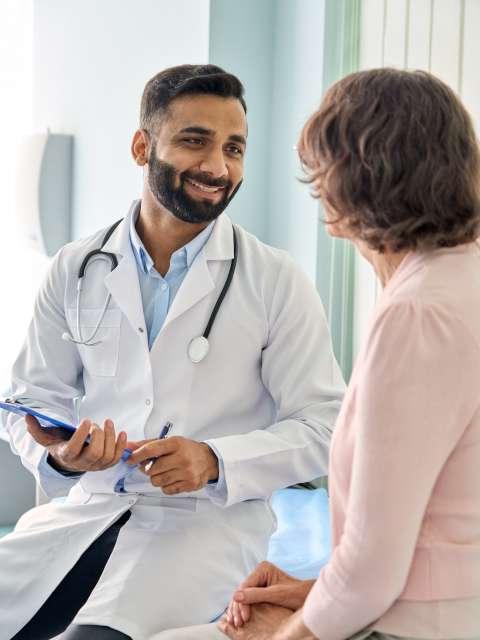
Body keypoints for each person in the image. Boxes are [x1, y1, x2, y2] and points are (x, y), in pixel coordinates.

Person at [0, 64, 344, 640]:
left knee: (98, 636)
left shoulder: (275, 280)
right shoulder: (76, 268)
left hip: (206, 525)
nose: (217, 166)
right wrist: (62, 458)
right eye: (194, 140)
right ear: (142, 147)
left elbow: (327, 427)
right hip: (88, 507)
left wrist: (214, 459)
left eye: (234, 148)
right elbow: (29, 400)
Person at [213, 68, 480, 640]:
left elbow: (370, 572)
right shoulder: (463, 281)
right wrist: (315, 594)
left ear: (348, 185)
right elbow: (445, 523)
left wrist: (289, 635)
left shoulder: (417, 313)